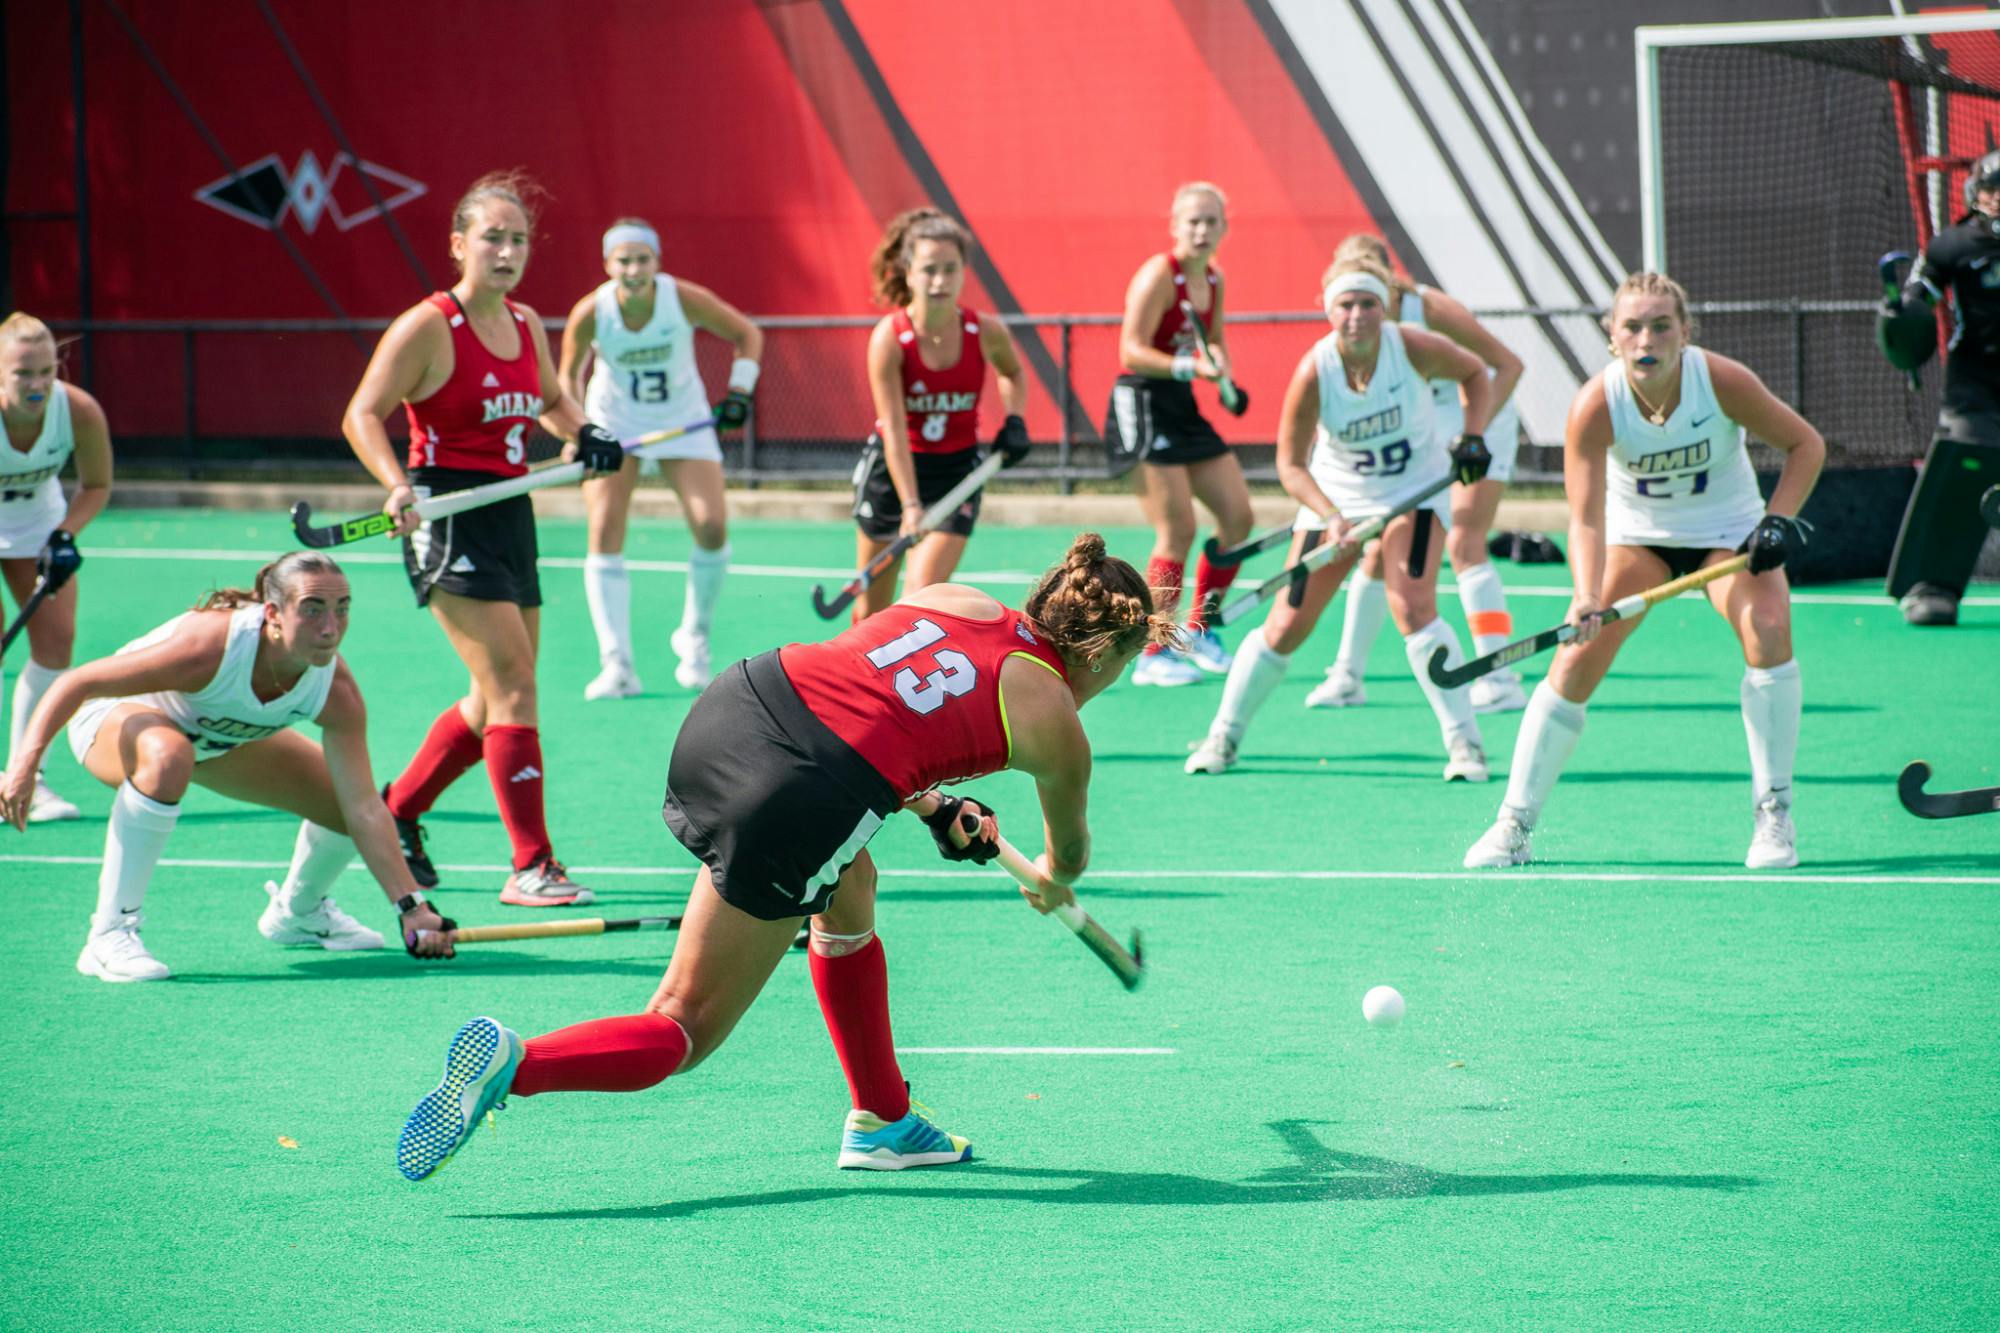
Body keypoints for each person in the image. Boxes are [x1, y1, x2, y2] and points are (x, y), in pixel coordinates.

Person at [393, 533, 1172, 1182]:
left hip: (742, 702)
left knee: (849, 879)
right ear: (1103, 654)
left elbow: (875, 702)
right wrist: (1050, 881)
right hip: (797, 789)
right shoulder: (1057, 718)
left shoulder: (960, 598)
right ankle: (518, 1064)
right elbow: (1066, 854)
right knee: (684, 1025)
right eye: (1124, 667)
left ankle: (883, 1118)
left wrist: (936, 804)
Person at [1464, 272, 1824, 871]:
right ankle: (1513, 824)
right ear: (1612, 336)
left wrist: (1777, 522)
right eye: (1632, 326)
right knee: (1577, 654)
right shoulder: (1595, 405)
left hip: (1726, 538)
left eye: (1661, 325)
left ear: (1685, 332)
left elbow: (1805, 444)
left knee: (1768, 626)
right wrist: (1583, 595)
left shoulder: (1722, 382)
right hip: (1640, 542)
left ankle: (1774, 813)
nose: (1646, 338)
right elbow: (1583, 519)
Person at [341, 172, 623, 909]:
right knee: (514, 686)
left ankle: (397, 809)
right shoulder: (429, 325)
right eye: (492, 237)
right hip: (445, 514)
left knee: (488, 697)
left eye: (518, 239)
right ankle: (532, 863)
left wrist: (584, 434)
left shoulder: (528, 323)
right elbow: (363, 413)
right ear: (459, 244)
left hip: (509, 512)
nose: (506, 251)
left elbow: (553, 402)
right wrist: (394, 484)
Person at [0, 552, 456, 981]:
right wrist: (24, 766)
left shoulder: (335, 689)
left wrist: (411, 906)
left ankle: (298, 912)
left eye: (342, 608)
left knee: (341, 801)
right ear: (273, 614)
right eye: (313, 609)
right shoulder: (209, 647)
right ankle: (109, 934)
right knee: (168, 755)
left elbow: (365, 808)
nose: (330, 627)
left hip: (215, 738)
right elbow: (78, 683)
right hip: (113, 719)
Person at [1185, 256, 1494, 780]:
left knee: (1414, 608)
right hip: (1336, 499)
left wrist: (1473, 435)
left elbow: (1476, 373)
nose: (1357, 316)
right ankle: (1224, 737)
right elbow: (1290, 463)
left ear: (1385, 307)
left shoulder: (1413, 346)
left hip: (1413, 493)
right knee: (1284, 624)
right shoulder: (1316, 370)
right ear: (1330, 311)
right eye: (1346, 305)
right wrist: (1331, 516)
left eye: (1368, 303)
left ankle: (1466, 746)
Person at [1304, 237, 1529, 714]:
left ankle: (1500, 676)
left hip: (1479, 419)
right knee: (1375, 549)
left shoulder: (1429, 310)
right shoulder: (1351, 335)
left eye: (1370, 292)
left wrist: (1473, 439)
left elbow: (1507, 366)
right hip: (1421, 429)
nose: (1358, 308)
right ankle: (1347, 675)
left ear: (1388, 283)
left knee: (1465, 542)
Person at [558, 217, 764, 698]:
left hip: (683, 422)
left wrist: (740, 391)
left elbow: (747, 334)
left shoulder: (681, 298)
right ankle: (617, 665)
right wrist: (578, 430)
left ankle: (694, 640)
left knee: (711, 526)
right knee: (604, 530)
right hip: (616, 427)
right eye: (623, 260)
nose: (633, 269)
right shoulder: (592, 311)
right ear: (608, 264)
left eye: (641, 259)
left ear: (656, 261)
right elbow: (566, 378)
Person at [1104, 182, 1256, 686]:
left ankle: (1202, 629)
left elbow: (1215, 343)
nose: (1201, 230)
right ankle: (1152, 652)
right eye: (1192, 221)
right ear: (1174, 226)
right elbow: (1130, 351)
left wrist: (1225, 380)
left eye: (1211, 221)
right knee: (1178, 530)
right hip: (1143, 404)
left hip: (1182, 404)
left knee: (1238, 517)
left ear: (1224, 229)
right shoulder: (1158, 275)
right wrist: (1191, 367)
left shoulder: (1215, 279)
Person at [849, 208, 1029, 622]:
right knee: (870, 611)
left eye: (950, 269)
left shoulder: (983, 331)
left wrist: (1015, 419)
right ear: (908, 272)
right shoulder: (890, 340)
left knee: (918, 598)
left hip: (957, 474)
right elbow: (893, 428)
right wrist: (910, 504)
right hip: (894, 474)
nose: (940, 281)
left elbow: (1013, 372)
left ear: (964, 272)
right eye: (929, 269)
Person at [1878, 150, 2000, 626]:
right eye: (1992, 190)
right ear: (1976, 195)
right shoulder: (1952, 245)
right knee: (1963, 468)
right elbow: (1920, 295)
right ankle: (1931, 585)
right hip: (1976, 386)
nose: (1999, 200)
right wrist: (1901, 318)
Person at [0, 311, 113, 823]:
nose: (38, 384)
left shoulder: (79, 410)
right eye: (23, 373)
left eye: (46, 370)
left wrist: (66, 534)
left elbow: (96, 485)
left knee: (56, 645)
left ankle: (26, 778)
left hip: (38, 528)